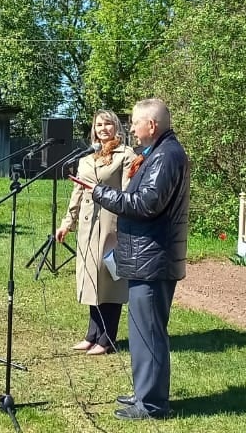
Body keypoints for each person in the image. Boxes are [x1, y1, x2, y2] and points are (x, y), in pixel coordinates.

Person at [91, 99, 188, 421]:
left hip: (152, 259)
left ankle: (153, 404)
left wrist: (102, 193)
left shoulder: (166, 155)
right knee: (141, 332)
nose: (130, 128)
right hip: (146, 257)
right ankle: (144, 392)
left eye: (134, 122)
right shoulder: (159, 153)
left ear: (152, 125)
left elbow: (146, 203)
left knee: (149, 332)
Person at [54, 110, 137, 356]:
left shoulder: (126, 155)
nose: (103, 128)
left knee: (109, 281)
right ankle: (92, 334)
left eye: (108, 124)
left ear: (116, 128)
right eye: (99, 124)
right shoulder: (86, 159)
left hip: (112, 226)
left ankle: (107, 338)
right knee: (91, 279)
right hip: (88, 228)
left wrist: (125, 226)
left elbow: (127, 195)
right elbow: (77, 193)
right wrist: (67, 222)